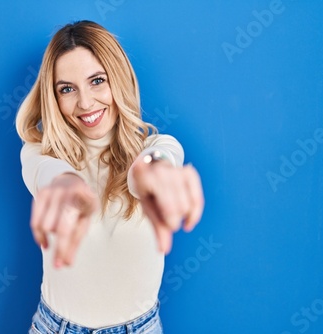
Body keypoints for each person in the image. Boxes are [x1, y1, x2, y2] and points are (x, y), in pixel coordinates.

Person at [16, 20, 204, 334]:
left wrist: (154, 172)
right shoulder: (40, 153)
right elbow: (50, 175)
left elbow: (152, 164)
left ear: (118, 78)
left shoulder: (158, 147)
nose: (86, 103)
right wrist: (66, 185)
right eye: (67, 89)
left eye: (97, 81)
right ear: (53, 97)